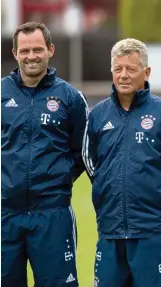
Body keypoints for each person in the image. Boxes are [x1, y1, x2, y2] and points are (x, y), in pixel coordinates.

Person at [81, 38, 161, 287]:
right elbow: (89, 160)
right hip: (110, 230)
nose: (123, 75)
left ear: (146, 72)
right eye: (118, 69)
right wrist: (106, 187)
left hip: (153, 232)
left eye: (131, 69)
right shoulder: (98, 114)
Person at [1, 22, 88, 286]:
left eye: (38, 49)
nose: (31, 56)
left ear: (50, 49)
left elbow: (83, 151)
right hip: (6, 214)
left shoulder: (70, 97)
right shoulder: (1, 93)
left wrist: (56, 177)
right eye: (25, 50)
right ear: (15, 53)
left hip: (53, 215)